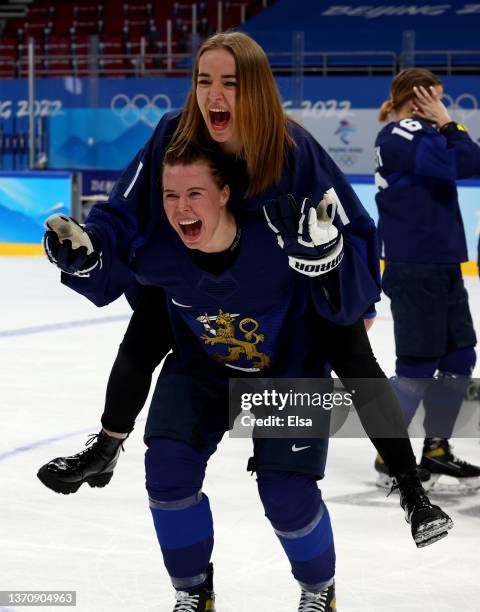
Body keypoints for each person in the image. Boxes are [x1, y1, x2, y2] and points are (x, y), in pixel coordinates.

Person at [40, 146, 451, 611]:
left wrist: (410, 486)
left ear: (226, 195)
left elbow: (360, 369)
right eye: (170, 195)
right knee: (168, 471)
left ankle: (319, 589)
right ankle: (194, 591)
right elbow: (139, 349)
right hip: (201, 370)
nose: (181, 208)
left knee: (286, 493)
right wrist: (108, 444)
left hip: (289, 371)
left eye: (195, 193)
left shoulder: (291, 254)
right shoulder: (161, 255)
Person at [373, 68, 480, 492]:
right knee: (416, 366)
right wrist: (449, 123)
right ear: (417, 99)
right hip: (417, 266)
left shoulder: (422, 133)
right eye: (437, 98)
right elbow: (470, 161)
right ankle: (390, 454)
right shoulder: (404, 131)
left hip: (442, 264)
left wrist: (447, 127)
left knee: (458, 357)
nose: (442, 106)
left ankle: (437, 447)